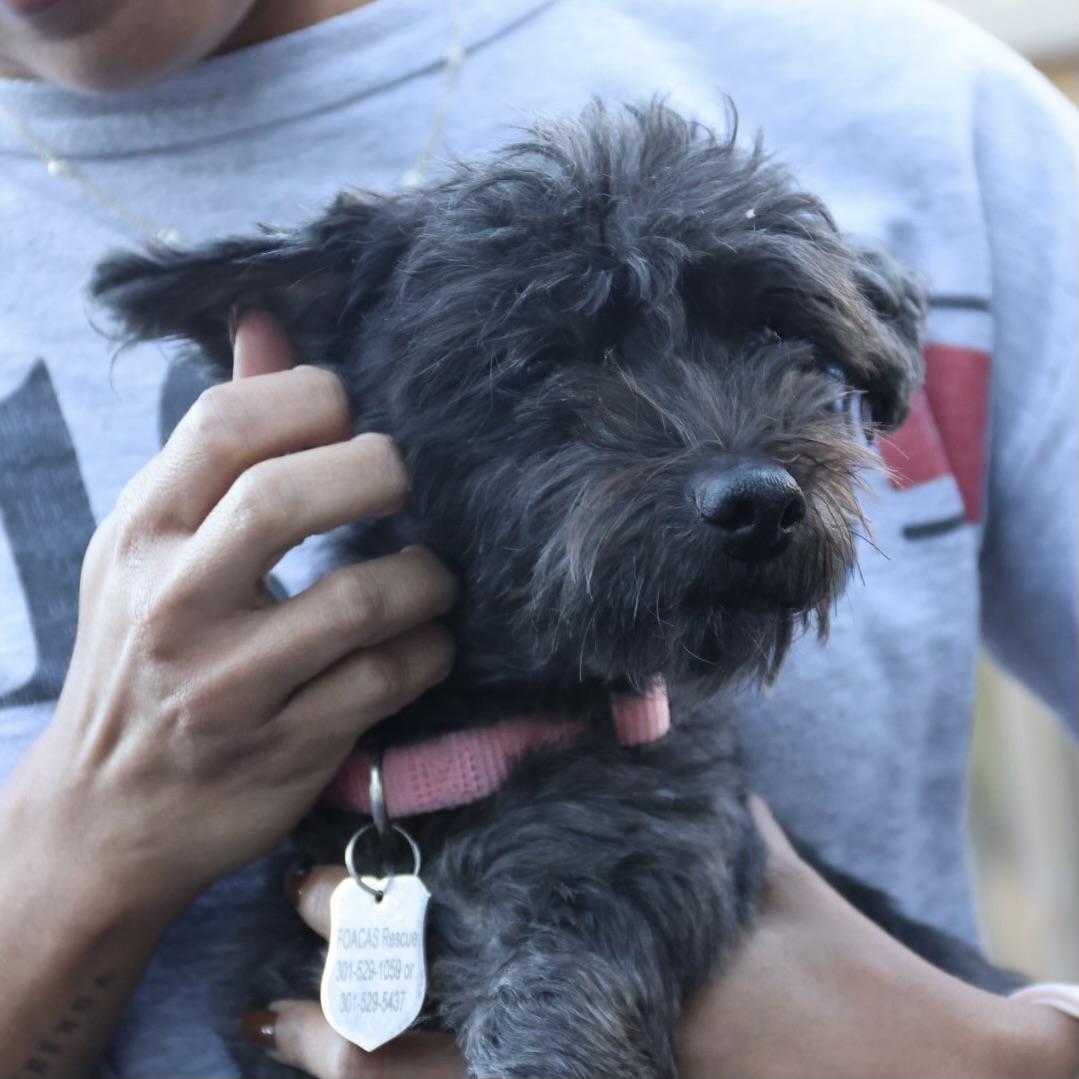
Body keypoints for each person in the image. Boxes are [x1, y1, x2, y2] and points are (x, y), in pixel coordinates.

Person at [0, 1, 1076, 1076]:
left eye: (768, 339)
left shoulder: (930, 109)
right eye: (549, 372)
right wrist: (79, 846)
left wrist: (993, 1057)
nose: (736, 464)